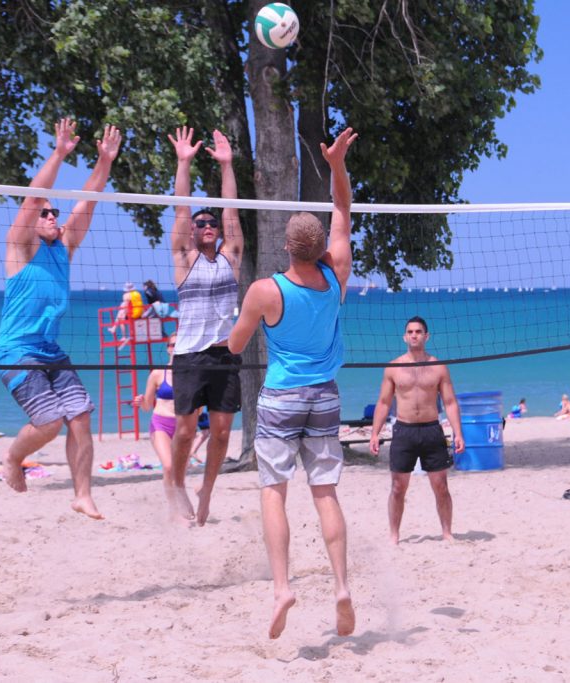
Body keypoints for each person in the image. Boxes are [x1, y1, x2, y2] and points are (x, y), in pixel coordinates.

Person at [228, 127, 358, 639]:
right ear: (321, 245)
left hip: (282, 397)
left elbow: (236, 346)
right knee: (325, 494)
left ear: (285, 246)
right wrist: (336, 166)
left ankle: (283, 587)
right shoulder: (338, 273)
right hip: (325, 396)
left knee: (273, 493)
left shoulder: (264, 290)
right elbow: (344, 210)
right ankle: (342, 585)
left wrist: (239, 323)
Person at [0, 117, 121, 519]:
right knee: (49, 422)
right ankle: (13, 458)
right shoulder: (20, 247)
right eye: (45, 213)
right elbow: (33, 198)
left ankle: (82, 494)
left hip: (49, 350)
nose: (51, 216)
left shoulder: (64, 248)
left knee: (80, 417)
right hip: (16, 351)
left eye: (55, 213)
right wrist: (60, 153)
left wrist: (104, 161)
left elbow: (89, 200)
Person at [168, 126, 243, 526]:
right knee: (183, 432)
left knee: (222, 432)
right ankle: (176, 486)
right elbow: (181, 208)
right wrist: (184, 162)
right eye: (200, 223)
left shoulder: (230, 256)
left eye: (210, 222)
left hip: (225, 353)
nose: (206, 225)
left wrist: (226, 165)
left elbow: (232, 210)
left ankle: (207, 491)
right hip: (189, 354)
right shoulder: (185, 257)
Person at [368, 317, 464, 545]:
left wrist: (458, 433)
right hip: (404, 431)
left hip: (432, 429)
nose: (414, 335)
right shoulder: (394, 367)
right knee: (398, 487)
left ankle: (447, 532)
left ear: (426, 336)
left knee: (441, 485)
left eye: (418, 331)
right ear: (404, 337)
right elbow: (383, 402)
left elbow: (450, 402)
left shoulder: (438, 367)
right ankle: (394, 535)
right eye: (410, 332)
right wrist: (375, 433)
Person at [133, 335, 184, 517]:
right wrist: (140, 402)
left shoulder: (191, 373)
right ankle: (173, 510)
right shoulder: (157, 374)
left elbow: (199, 408)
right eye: (172, 344)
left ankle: (180, 503)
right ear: (168, 348)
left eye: (180, 344)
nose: (176, 348)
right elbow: (147, 406)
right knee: (168, 466)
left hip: (182, 426)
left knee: (178, 470)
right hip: (160, 422)